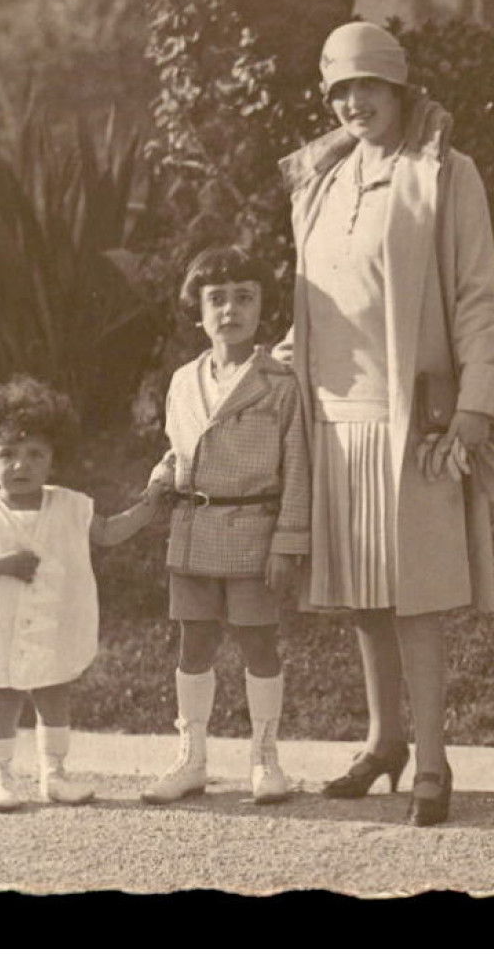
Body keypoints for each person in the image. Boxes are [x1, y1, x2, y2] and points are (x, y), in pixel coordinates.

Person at [277, 21, 494, 826]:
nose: (353, 104)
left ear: (399, 90)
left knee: (413, 596)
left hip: (412, 414)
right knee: (361, 595)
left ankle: (432, 761)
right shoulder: (320, 182)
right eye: (339, 91)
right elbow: (317, 306)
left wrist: (479, 404)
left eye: (367, 87)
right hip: (334, 416)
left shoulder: (447, 175)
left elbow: (477, 296)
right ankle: (383, 742)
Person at [140, 246, 310, 805]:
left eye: (244, 298)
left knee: (258, 641)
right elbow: (177, 448)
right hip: (193, 530)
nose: (230, 310)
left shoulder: (280, 384)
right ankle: (191, 759)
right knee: (194, 642)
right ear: (198, 311)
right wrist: (161, 477)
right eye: (217, 300)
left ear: (263, 308)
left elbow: (298, 470)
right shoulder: (184, 380)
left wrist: (286, 543)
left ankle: (265, 757)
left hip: (252, 529)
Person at [0, 375, 159, 813]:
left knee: (54, 694)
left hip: (51, 621)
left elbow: (108, 532)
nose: (20, 466)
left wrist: (150, 507)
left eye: (34, 455)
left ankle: (54, 774)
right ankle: (1, 776)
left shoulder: (70, 505)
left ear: (52, 461)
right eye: (7, 454)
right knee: (2, 700)